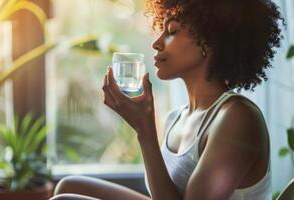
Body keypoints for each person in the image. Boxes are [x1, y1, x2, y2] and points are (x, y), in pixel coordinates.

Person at [51, 0, 284, 199]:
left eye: (171, 31)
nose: (157, 43)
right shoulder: (177, 117)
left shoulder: (237, 118)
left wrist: (145, 131)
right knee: (69, 185)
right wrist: (144, 127)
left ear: (209, 42)